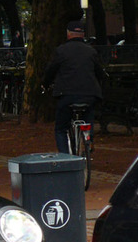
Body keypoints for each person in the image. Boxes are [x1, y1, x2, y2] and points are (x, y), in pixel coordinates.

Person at [42, 20, 105, 154]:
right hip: (90, 94)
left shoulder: (61, 51)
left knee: (61, 128)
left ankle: (65, 158)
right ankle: (88, 139)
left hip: (67, 94)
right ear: (82, 34)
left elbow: (50, 70)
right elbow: (100, 72)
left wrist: (45, 84)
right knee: (88, 114)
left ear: (68, 34)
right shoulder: (91, 51)